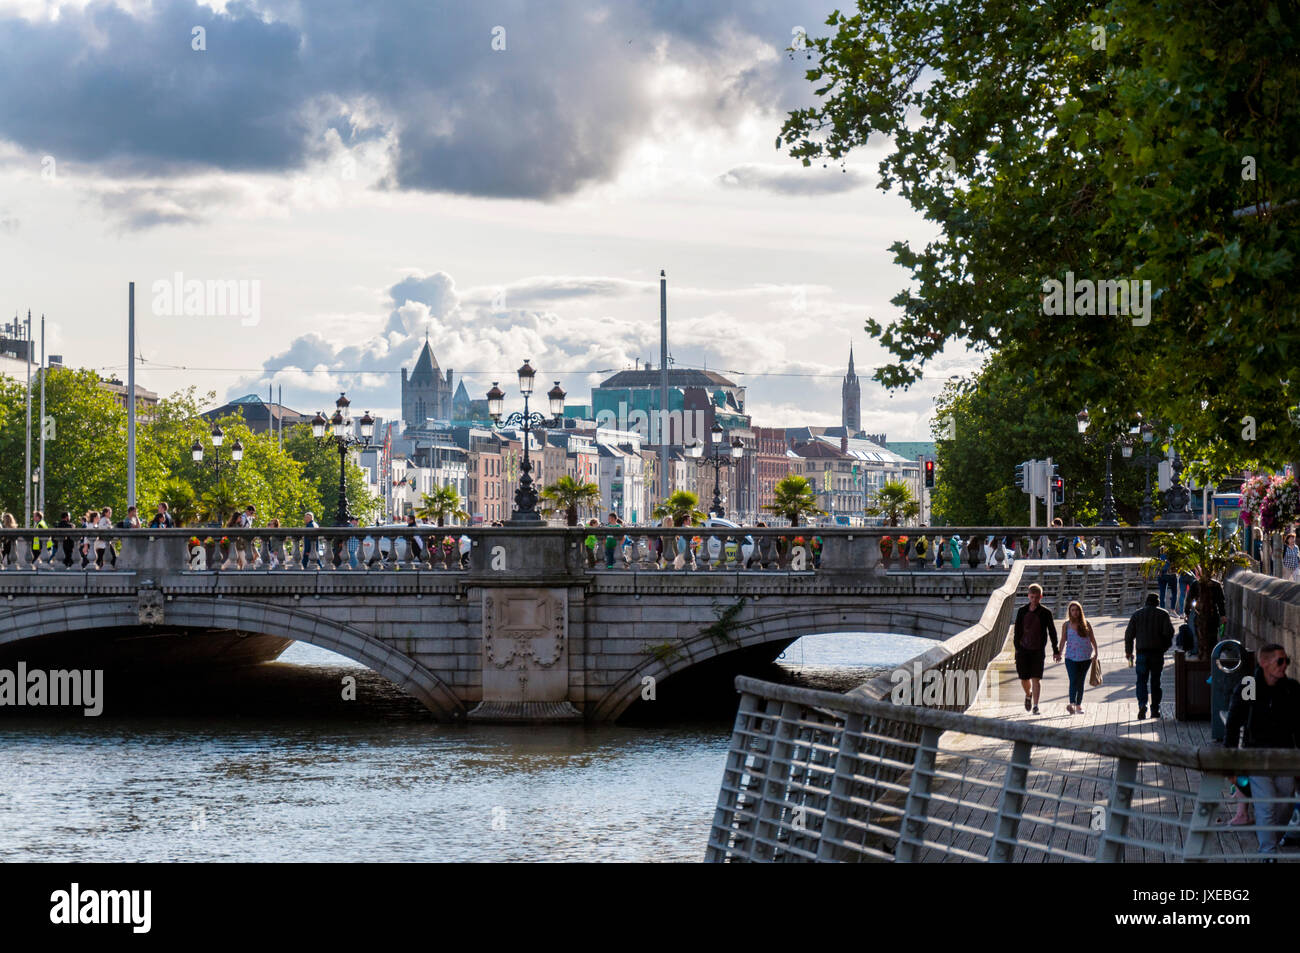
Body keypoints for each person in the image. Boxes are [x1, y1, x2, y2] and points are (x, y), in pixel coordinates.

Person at [1223, 643, 1300, 855]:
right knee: (1266, 806)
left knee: (1284, 805)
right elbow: (1234, 722)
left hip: (1285, 757)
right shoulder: (1250, 687)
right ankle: (1268, 853)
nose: (1285, 666)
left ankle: (1270, 843)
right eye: (1280, 661)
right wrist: (1229, 762)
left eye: (1287, 661)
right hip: (1256, 756)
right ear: (1264, 662)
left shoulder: (1291, 689)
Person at [1124, 592, 1175, 719]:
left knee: (1141, 681)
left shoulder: (1137, 614)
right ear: (1157, 602)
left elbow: (1129, 635)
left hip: (1141, 653)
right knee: (1156, 682)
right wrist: (1165, 648)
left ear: (1146, 602)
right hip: (1157, 653)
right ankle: (1155, 709)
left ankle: (1142, 705)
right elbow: (1169, 633)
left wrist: (1129, 652)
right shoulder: (1163, 614)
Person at [1012, 583, 1059, 715]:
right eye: (1032, 597)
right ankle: (1028, 694)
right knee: (1023, 678)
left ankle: (1036, 706)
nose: (1034, 600)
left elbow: (1052, 632)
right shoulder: (1022, 611)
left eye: (1036, 597)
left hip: (1038, 650)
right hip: (1022, 650)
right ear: (1028, 596)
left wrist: (1055, 650)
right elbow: (1017, 632)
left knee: (1036, 678)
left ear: (1041, 597)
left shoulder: (1046, 613)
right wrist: (1017, 649)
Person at [1061, 601, 1099, 714]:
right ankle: (1072, 703)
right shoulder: (1066, 625)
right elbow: (1063, 640)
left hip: (1085, 657)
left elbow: (1092, 638)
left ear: (1080, 611)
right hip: (1070, 657)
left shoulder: (1086, 623)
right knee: (1073, 680)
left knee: (1080, 681)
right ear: (1069, 612)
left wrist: (1096, 652)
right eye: (1072, 610)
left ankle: (1079, 705)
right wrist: (1058, 653)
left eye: (1077, 610)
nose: (1075, 612)